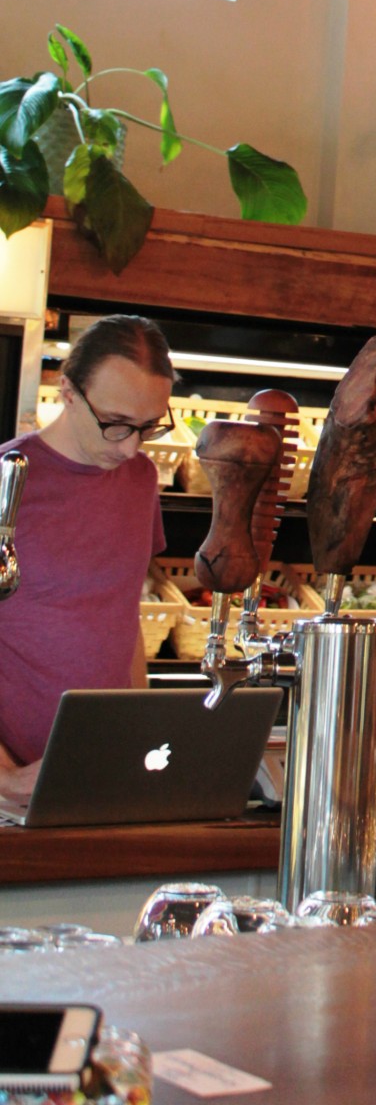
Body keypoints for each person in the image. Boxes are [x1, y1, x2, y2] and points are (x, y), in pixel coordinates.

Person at [0, 315, 172, 803]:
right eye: (116, 424)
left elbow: (122, 620)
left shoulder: (141, 481)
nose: (132, 446)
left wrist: (139, 744)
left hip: (106, 774)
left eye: (148, 427)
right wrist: (8, 780)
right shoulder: (8, 481)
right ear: (68, 390)